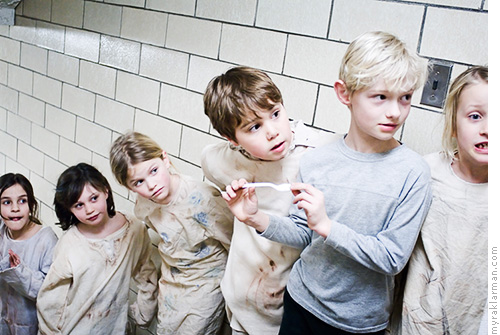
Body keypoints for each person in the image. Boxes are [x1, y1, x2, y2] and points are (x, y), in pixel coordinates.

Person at [222, 31, 433, 334]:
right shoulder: (317, 160)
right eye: (381, 97)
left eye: (406, 98)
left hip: (356, 323)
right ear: (345, 93)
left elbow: (392, 258)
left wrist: (328, 226)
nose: (395, 112)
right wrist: (254, 217)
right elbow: (302, 233)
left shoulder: (413, 171)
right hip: (300, 302)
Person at [202, 66, 341, 335]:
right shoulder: (225, 160)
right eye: (254, 127)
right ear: (232, 139)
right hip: (237, 299)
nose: (273, 132)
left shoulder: (315, 155)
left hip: (285, 308)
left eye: (276, 114)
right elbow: (209, 159)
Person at [109, 131, 233, 335]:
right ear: (128, 187)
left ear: (164, 159)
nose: (151, 185)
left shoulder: (202, 199)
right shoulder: (145, 202)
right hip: (172, 282)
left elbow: (233, 243)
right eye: (138, 182)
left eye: (154, 171)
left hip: (205, 285)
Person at [395, 66, 488, 334]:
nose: (487, 129)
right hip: (418, 322)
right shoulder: (427, 172)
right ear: (453, 123)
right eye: (474, 116)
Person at [36, 163, 158, 335]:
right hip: (74, 328)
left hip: (114, 327)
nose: (89, 209)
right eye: (79, 205)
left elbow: (146, 272)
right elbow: (51, 297)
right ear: (69, 209)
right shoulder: (70, 243)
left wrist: (144, 313)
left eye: (94, 198)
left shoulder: (134, 230)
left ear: (106, 191)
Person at [0, 173, 58, 335]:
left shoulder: (46, 240)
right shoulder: (2, 232)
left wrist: (19, 271)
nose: (15, 208)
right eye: (6, 202)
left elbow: (51, 293)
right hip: (4, 322)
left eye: (22, 201)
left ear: (32, 204)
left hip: (31, 326)